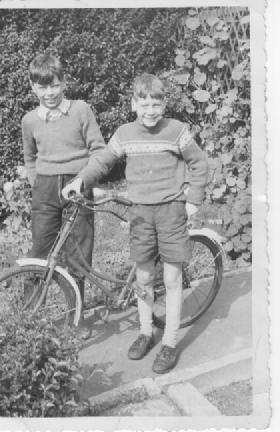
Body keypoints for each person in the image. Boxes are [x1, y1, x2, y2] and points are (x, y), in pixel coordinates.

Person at [62, 73, 208, 373]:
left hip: (171, 212)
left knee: (171, 279)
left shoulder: (176, 131)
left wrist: (193, 198)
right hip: (140, 213)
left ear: (164, 103)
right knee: (142, 278)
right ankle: (145, 331)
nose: (151, 110)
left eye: (156, 103)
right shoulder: (125, 133)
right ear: (133, 104)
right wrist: (81, 180)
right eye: (144, 104)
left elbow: (199, 162)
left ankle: (169, 341)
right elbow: (103, 160)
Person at [21, 53, 107, 338]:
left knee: (77, 254)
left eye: (55, 86)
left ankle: (76, 319)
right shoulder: (30, 120)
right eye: (43, 87)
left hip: (78, 187)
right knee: (39, 254)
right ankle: (29, 322)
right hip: (45, 190)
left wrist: (83, 180)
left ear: (64, 82)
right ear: (33, 87)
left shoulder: (81, 110)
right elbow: (30, 157)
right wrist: (37, 183)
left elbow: (99, 150)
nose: (49, 93)